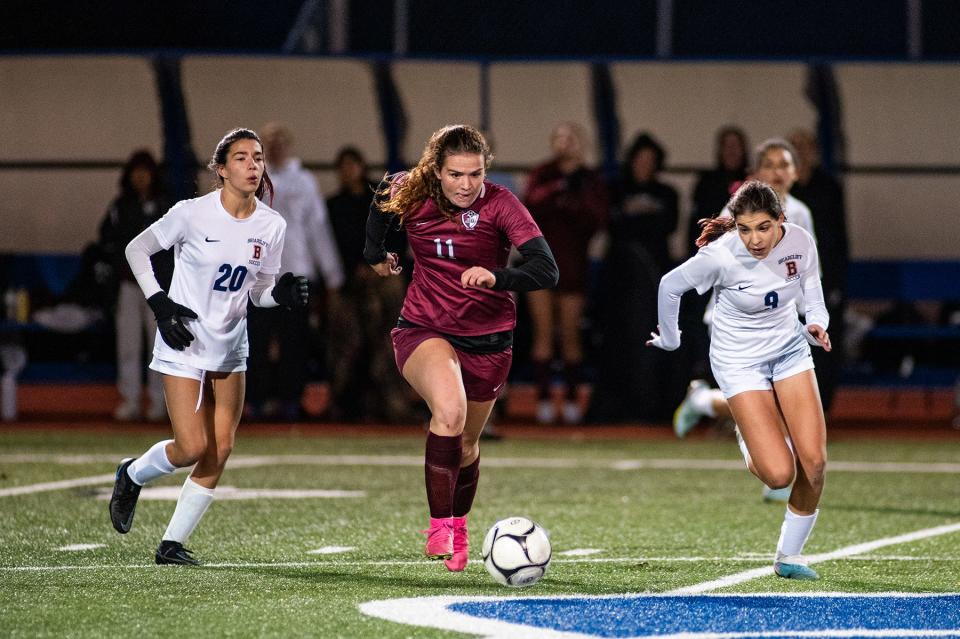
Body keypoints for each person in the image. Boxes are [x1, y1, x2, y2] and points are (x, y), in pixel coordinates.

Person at [108, 128, 309, 565]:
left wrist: (283, 297)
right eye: (241, 158)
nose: (253, 165)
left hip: (232, 345)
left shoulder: (271, 224)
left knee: (221, 446)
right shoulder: (191, 214)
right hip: (184, 339)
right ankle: (133, 473)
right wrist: (160, 305)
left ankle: (170, 544)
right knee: (191, 447)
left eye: (258, 157)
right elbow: (136, 249)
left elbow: (258, 292)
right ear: (221, 169)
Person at [364, 124, 558, 572]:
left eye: (475, 174)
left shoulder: (502, 204)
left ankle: (460, 524)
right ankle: (438, 527)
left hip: (489, 341)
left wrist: (498, 277)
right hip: (423, 328)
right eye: (455, 175)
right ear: (436, 170)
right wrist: (375, 254)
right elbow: (379, 205)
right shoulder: (411, 190)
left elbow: (547, 270)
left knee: (467, 443)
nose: (467, 185)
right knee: (448, 413)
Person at [648, 180, 830, 580]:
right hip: (738, 361)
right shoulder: (721, 255)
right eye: (745, 229)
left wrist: (816, 322)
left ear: (780, 220)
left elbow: (812, 292)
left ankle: (789, 556)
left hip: (789, 351)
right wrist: (672, 339)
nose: (754, 239)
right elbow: (670, 285)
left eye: (763, 227)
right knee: (779, 474)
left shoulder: (800, 240)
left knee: (814, 464)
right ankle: (745, 430)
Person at [674, 138, 817, 451]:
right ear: (755, 172)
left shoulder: (801, 213)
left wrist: (809, 316)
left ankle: (704, 401)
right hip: (736, 323)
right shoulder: (739, 208)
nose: (777, 172)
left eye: (784, 165)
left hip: (778, 323)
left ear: (797, 172)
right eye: (769, 165)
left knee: (775, 400)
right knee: (764, 402)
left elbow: (805, 270)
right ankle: (775, 473)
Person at [245, 122, 343, 421]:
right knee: (256, 340)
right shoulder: (251, 179)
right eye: (269, 143)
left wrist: (332, 273)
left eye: (279, 142)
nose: (275, 148)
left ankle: (289, 400)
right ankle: (256, 401)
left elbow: (317, 228)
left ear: (287, 146)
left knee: (294, 341)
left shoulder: (304, 182)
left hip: (297, 269)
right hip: (259, 273)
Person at [523, 122, 607, 424]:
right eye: (559, 138)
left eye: (570, 138)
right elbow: (529, 205)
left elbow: (598, 217)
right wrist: (558, 188)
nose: (565, 143)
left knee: (571, 336)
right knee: (543, 334)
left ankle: (572, 398)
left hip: (573, 266)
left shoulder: (589, 179)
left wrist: (575, 194)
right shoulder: (543, 174)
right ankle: (543, 399)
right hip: (540, 263)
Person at [326, 146, 412, 422]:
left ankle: (393, 403)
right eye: (343, 166)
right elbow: (331, 246)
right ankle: (346, 403)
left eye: (353, 165)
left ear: (363, 166)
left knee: (390, 339)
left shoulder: (383, 200)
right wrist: (354, 270)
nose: (348, 171)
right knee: (346, 339)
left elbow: (398, 239)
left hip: (384, 278)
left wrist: (377, 266)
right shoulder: (334, 206)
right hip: (348, 282)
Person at [98, 150, 174, 422]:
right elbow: (106, 239)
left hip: (156, 286)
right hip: (129, 285)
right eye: (136, 172)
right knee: (128, 345)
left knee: (158, 345)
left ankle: (158, 402)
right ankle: (130, 400)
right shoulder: (120, 207)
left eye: (145, 172)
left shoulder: (167, 207)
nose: (141, 178)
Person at [788, 128, 849, 413]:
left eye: (805, 146)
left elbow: (839, 237)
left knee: (823, 343)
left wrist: (837, 282)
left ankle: (820, 409)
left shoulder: (828, 187)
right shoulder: (783, 193)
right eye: (794, 147)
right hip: (790, 279)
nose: (800, 152)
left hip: (822, 278)